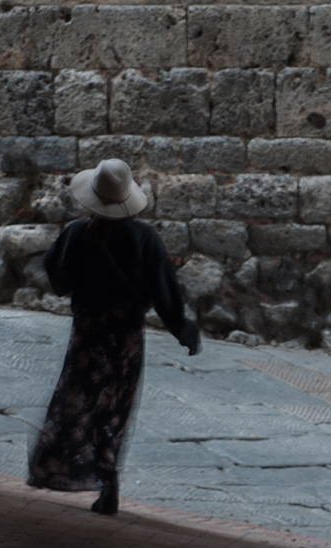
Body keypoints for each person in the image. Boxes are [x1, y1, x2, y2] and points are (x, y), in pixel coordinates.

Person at [27, 158, 201, 515]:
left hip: (88, 337)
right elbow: (167, 293)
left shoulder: (77, 234)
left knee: (75, 404)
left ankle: (59, 469)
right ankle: (108, 483)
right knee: (113, 411)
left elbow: (58, 280)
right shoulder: (145, 239)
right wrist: (183, 330)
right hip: (126, 342)